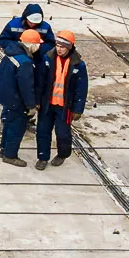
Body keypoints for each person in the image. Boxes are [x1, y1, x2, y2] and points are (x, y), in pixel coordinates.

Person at [36, 31, 89, 169]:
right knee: (42, 131)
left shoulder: (78, 65)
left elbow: (81, 89)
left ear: (70, 47)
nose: (59, 49)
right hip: (47, 104)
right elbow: (40, 81)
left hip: (65, 107)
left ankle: (62, 154)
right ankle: (42, 157)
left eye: (63, 46)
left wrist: (78, 109)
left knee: (63, 133)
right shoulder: (48, 59)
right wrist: (37, 100)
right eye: (58, 45)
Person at [0, 29, 45, 167]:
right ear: (32, 45)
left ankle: (4, 150)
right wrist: (31, 106)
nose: (39, 47)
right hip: (17, 100)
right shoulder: (25, 62)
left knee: (9, 124)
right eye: (38, 44)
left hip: (7, 96)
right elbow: (26, 86)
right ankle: (10, 155)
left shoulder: (12, 53)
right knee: (17, 127)